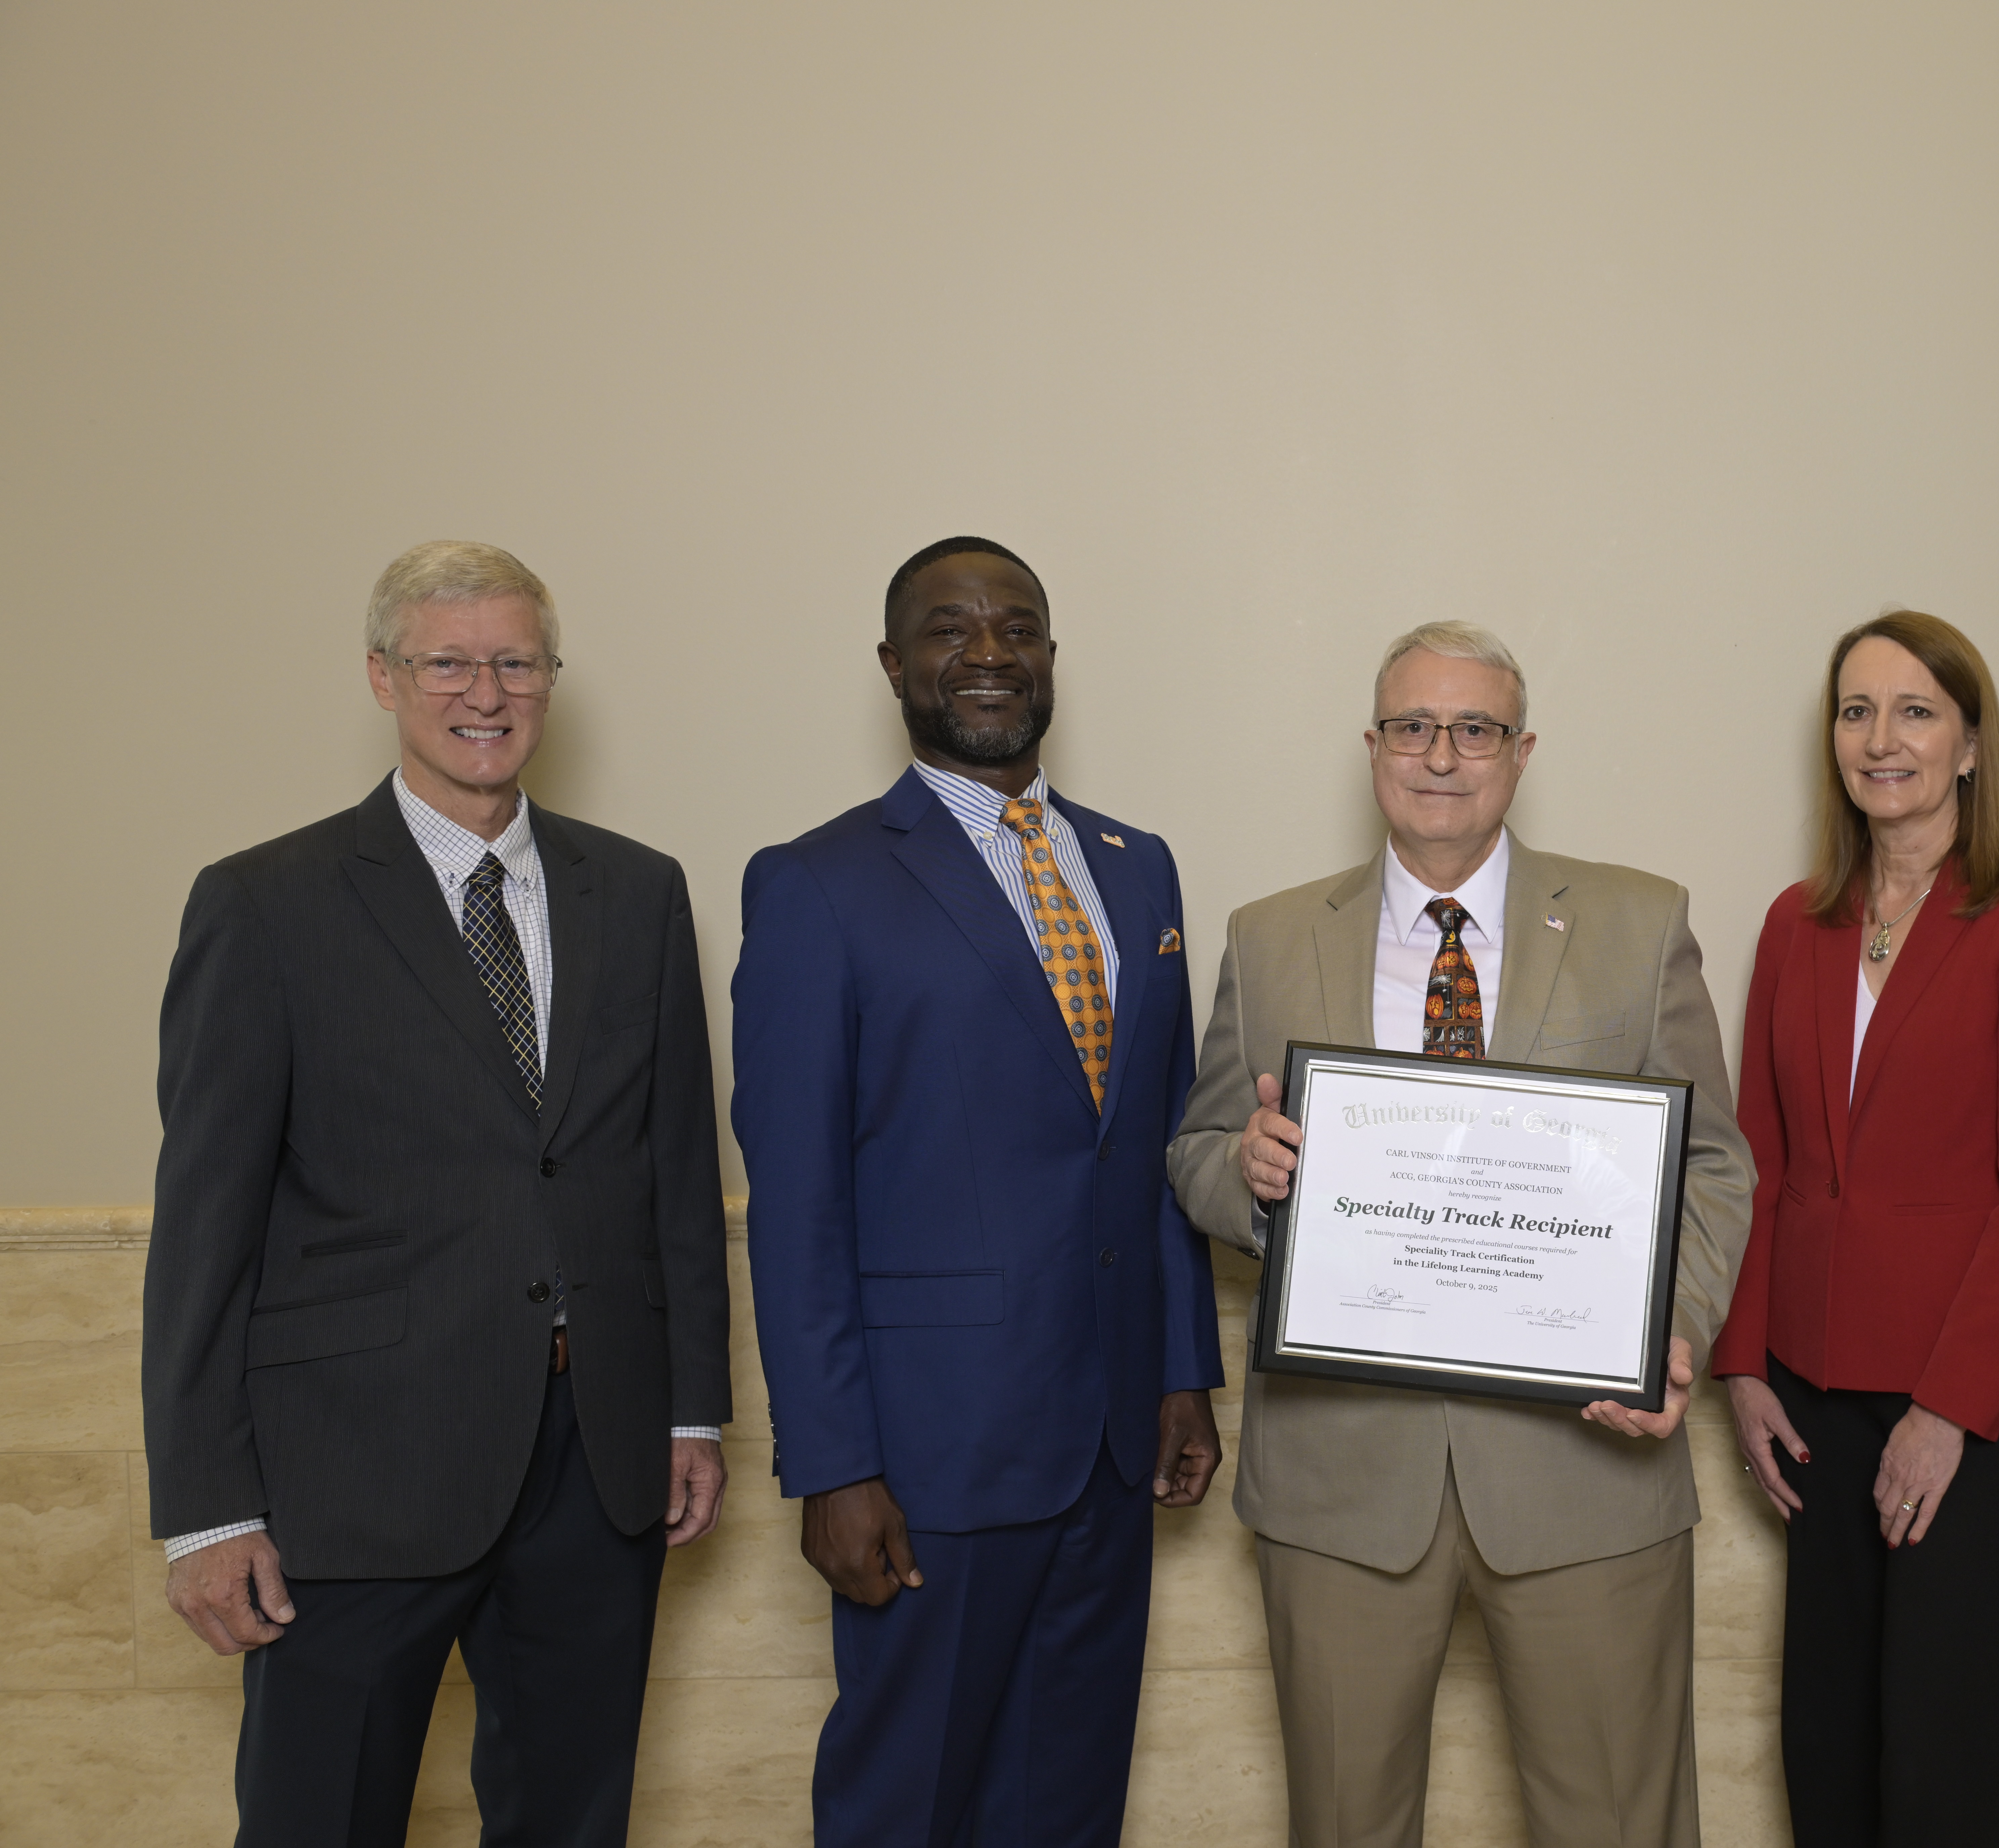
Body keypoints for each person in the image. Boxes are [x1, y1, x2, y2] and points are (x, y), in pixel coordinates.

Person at [141, 541, 734, 1848]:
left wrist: (694, 1406)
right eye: (450, 660)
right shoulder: (264, 905)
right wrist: (209, 1505)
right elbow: (203, 1230)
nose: (487, 689)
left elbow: (675, 1175)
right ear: (383, 675)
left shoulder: (637, 892)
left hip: (598, 1465)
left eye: (517, 660)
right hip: (352, 1481)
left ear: (551, 679)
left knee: (571, 1818)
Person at [1166, 620, 1754, 1848]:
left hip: (1587, 1472)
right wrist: (1250, 1174)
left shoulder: (1640, 924)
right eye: (1413, 727)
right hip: (1343, 1484)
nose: (1443, 756)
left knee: (1620, 1827)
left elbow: (1710, 1164)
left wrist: (1676, 1330)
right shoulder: (1270, 936)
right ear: (1374, 748)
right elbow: (1197, 1153)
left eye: (1475, 729)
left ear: (1521, 752)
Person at [732, 537, 1224, 1847]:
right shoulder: (818, 883)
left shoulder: (1138, 865)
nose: (990, 653)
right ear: (895, 665)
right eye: (951, 629)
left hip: (1113, 1440)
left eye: (1018, 626)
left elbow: (1159, 1136)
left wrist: (1183, 1367)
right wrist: (832, 1463)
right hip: (929, 1456)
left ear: (1052, 656)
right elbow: (796, 1206)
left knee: (1068, 1799)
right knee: (913, 1798)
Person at [1711, 609, 1999, 1847]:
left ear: (1972, 746)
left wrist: (1947, 1411)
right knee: (1828, 1758)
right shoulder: (1798, 922)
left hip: (1981, 1407)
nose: (1883, 740)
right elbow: (1759, 1160)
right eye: (1857, 711)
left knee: (1944, 1775)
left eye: (1917, 711)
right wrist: (1742, 1362)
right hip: (1815, 1392)